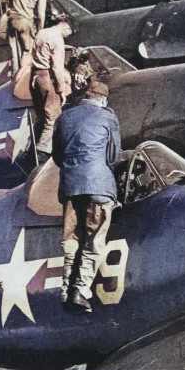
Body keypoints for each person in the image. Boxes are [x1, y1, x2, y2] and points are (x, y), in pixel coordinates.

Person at [52, 81, 122, 313]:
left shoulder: (64, 117)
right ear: (103, 99)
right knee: (94, 239)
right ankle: (81, 292)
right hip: (99, 187)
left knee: (71, 239)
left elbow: (57, 156)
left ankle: (65, 290)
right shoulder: (108, 117)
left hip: (70, 187)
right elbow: (113, 156)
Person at [30, 14, 75, 165]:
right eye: (70, 31)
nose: (69, 35)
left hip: (34, 76)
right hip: (46, 78)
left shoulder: (42, 32)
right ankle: (41, 155)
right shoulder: (58, 40)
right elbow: (57, 67)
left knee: (41, 117)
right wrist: (61, 90)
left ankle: (32, 149)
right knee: (53, 118)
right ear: (66, 25)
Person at [6, 0, 46, 71]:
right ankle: (24, 73)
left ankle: (16, 70)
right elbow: (41, 16)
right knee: (28, 51)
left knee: (14, 50)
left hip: (13, 20)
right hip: (25, 23)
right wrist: (40, 30)